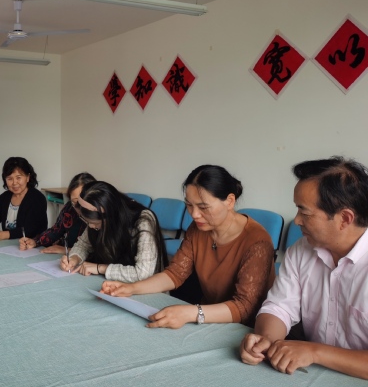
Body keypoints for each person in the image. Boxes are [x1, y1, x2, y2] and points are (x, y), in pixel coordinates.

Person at [101, 165, 275, 329]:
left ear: (229, 201)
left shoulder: (257, 242)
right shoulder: (198, 228)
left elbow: (244, 308)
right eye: (189, 205)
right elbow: (175, 274)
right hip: (205, 317)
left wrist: (190, 313)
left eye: (203, 207)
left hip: (244, 329)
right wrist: (131, 288)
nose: (194, 214)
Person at [240, 157, 368, 379]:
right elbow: (279, 307)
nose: (297, 220)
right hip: (311, 372)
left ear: (345, 218)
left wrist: (315, 352)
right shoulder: (301, 250)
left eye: (305, 212)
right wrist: (266, 339)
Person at [60, 181, 167, 282]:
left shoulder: (143, 220)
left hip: (145, 287)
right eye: (87, 222)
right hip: (113, 282)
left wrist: (100, 268)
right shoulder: (98, 216)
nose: (91, 226)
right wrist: (74, 258)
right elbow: (83, 245)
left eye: (95, 223)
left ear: (110, 216)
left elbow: (143, 273)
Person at [19, 172, 96, 253]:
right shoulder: (70, 208)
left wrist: (67, 250)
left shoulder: (98, 218)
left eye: (82, 201)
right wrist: (35, 241)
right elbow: (56, 230)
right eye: (74, 201)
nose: (78, 206)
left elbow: (97, 253)